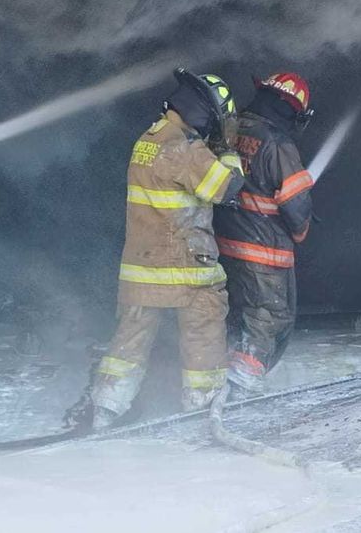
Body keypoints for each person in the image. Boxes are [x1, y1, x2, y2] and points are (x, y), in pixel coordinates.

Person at [68, 70, 244, 430]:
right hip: (186, 269)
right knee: (204, 336)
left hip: (140, 268)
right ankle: (203, 410)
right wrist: (227, 150)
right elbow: (228, 189)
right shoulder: (185, 149)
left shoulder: (147, 139)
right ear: (203, 112)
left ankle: (105, 408)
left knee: (129, 343)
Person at [214, 72, 314, 396]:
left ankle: (217, 385)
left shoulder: (229, 128)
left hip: (224, 246)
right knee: (266, 319)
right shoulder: (279, 144)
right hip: (263, 253)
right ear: (292, 111)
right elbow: (297, 207)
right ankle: (239, 395)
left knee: (233, 319)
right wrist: (300, 231)